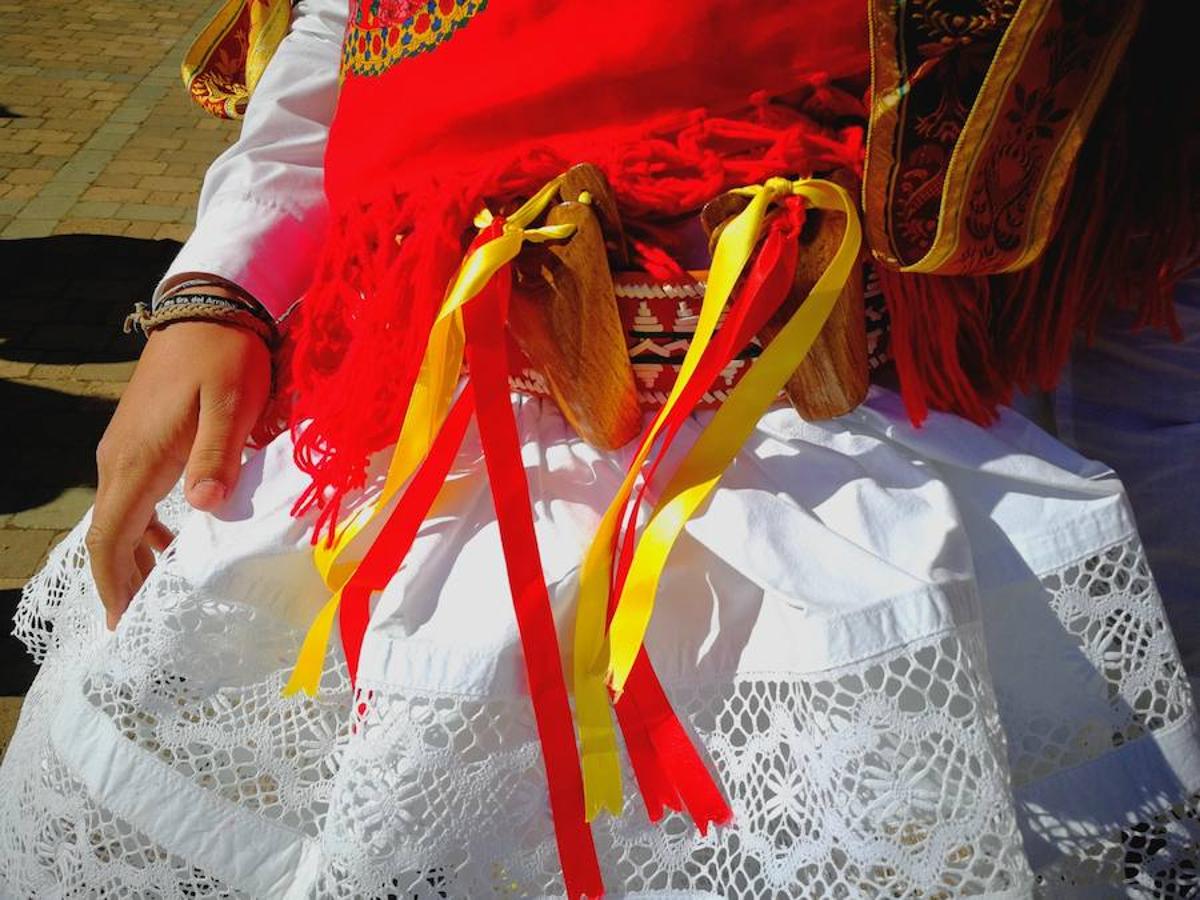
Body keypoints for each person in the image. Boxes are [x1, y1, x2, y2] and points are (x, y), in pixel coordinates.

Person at [1, 0, 1197, 897]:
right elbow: (343, 23)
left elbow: (1134, 263)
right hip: (410, 458)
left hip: (863, 478)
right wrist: (220, 286)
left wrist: (1143, 610)